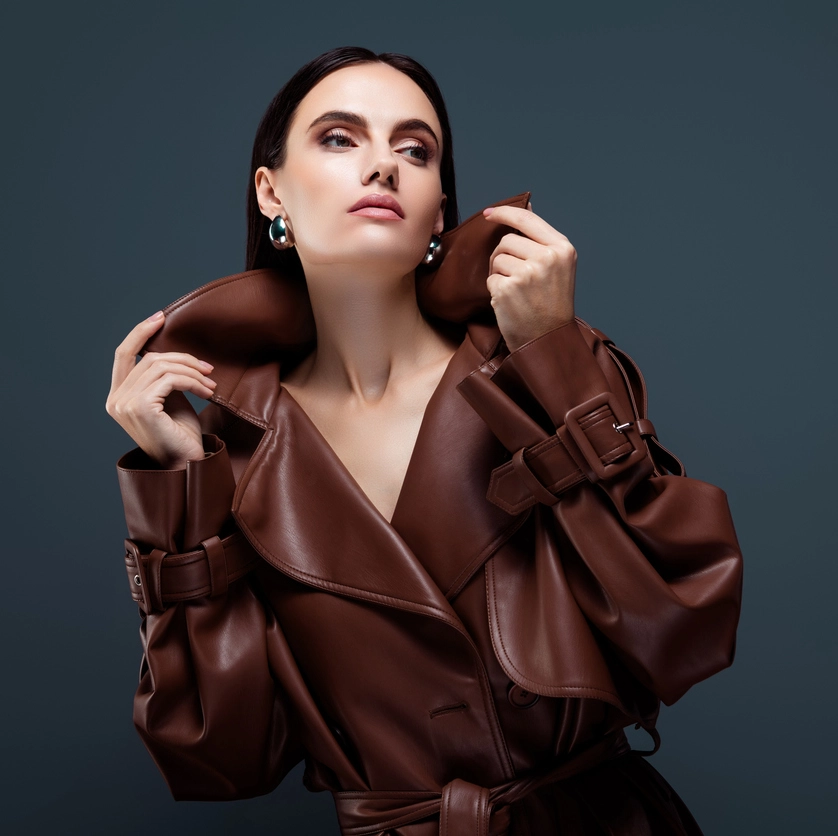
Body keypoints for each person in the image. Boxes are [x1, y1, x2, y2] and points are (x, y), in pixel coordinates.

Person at [106, 46, 744, 835]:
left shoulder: (533, 366)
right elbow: (221, 757)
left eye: (415, 149)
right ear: (271, 191)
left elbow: (686, 629)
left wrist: (554, 361)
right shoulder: (229, 451)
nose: (383, 166)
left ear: (440, 208)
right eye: (340, 139)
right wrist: (178, 489)